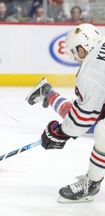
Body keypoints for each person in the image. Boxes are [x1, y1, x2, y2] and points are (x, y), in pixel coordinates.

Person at [25, 23, 105, 203]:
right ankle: (48, 93)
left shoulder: (90, 72)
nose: (76, 59)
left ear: (83, 48)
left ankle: (91, 183)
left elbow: (80, 121)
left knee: (103, 131)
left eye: (75, 53)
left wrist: (60, 132)